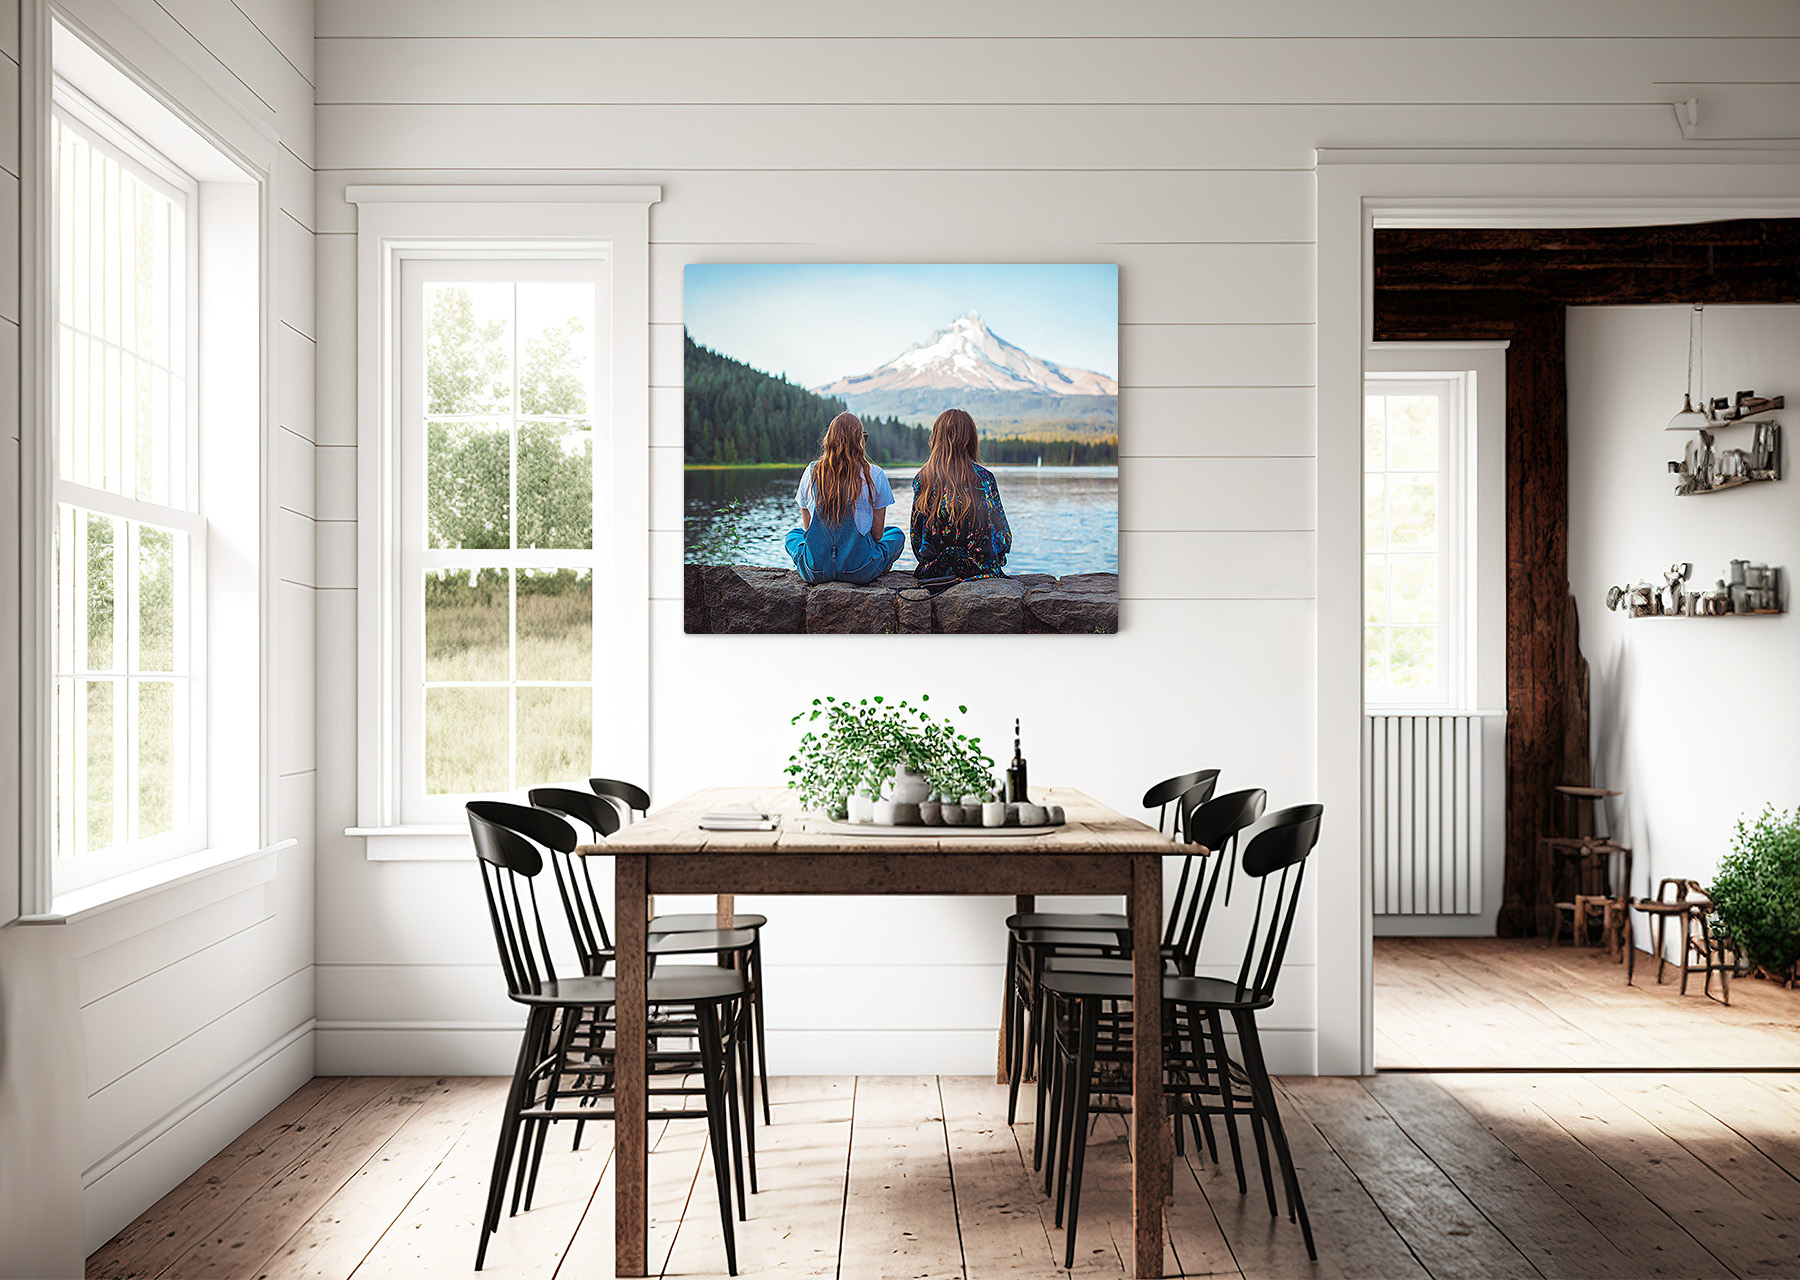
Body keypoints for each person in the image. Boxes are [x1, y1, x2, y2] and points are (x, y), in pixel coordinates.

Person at [784, 412, 905, 584]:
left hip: (816, 571)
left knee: (793, 536)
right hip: (860, 570)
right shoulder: (875, 474)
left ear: (829, 440)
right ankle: (880, 564)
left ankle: (809, 564)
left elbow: (808, 531)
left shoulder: (811, 472)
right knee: (896, 534)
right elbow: (877, 535)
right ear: (860, 441)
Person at [910, 407, 1012, 581]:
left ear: (936, 439)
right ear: (971, 440)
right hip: (980, 569)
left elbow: (916, 537)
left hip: (935, 571)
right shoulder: (985, 478)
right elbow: (1003, 537)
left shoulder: (923, 478)